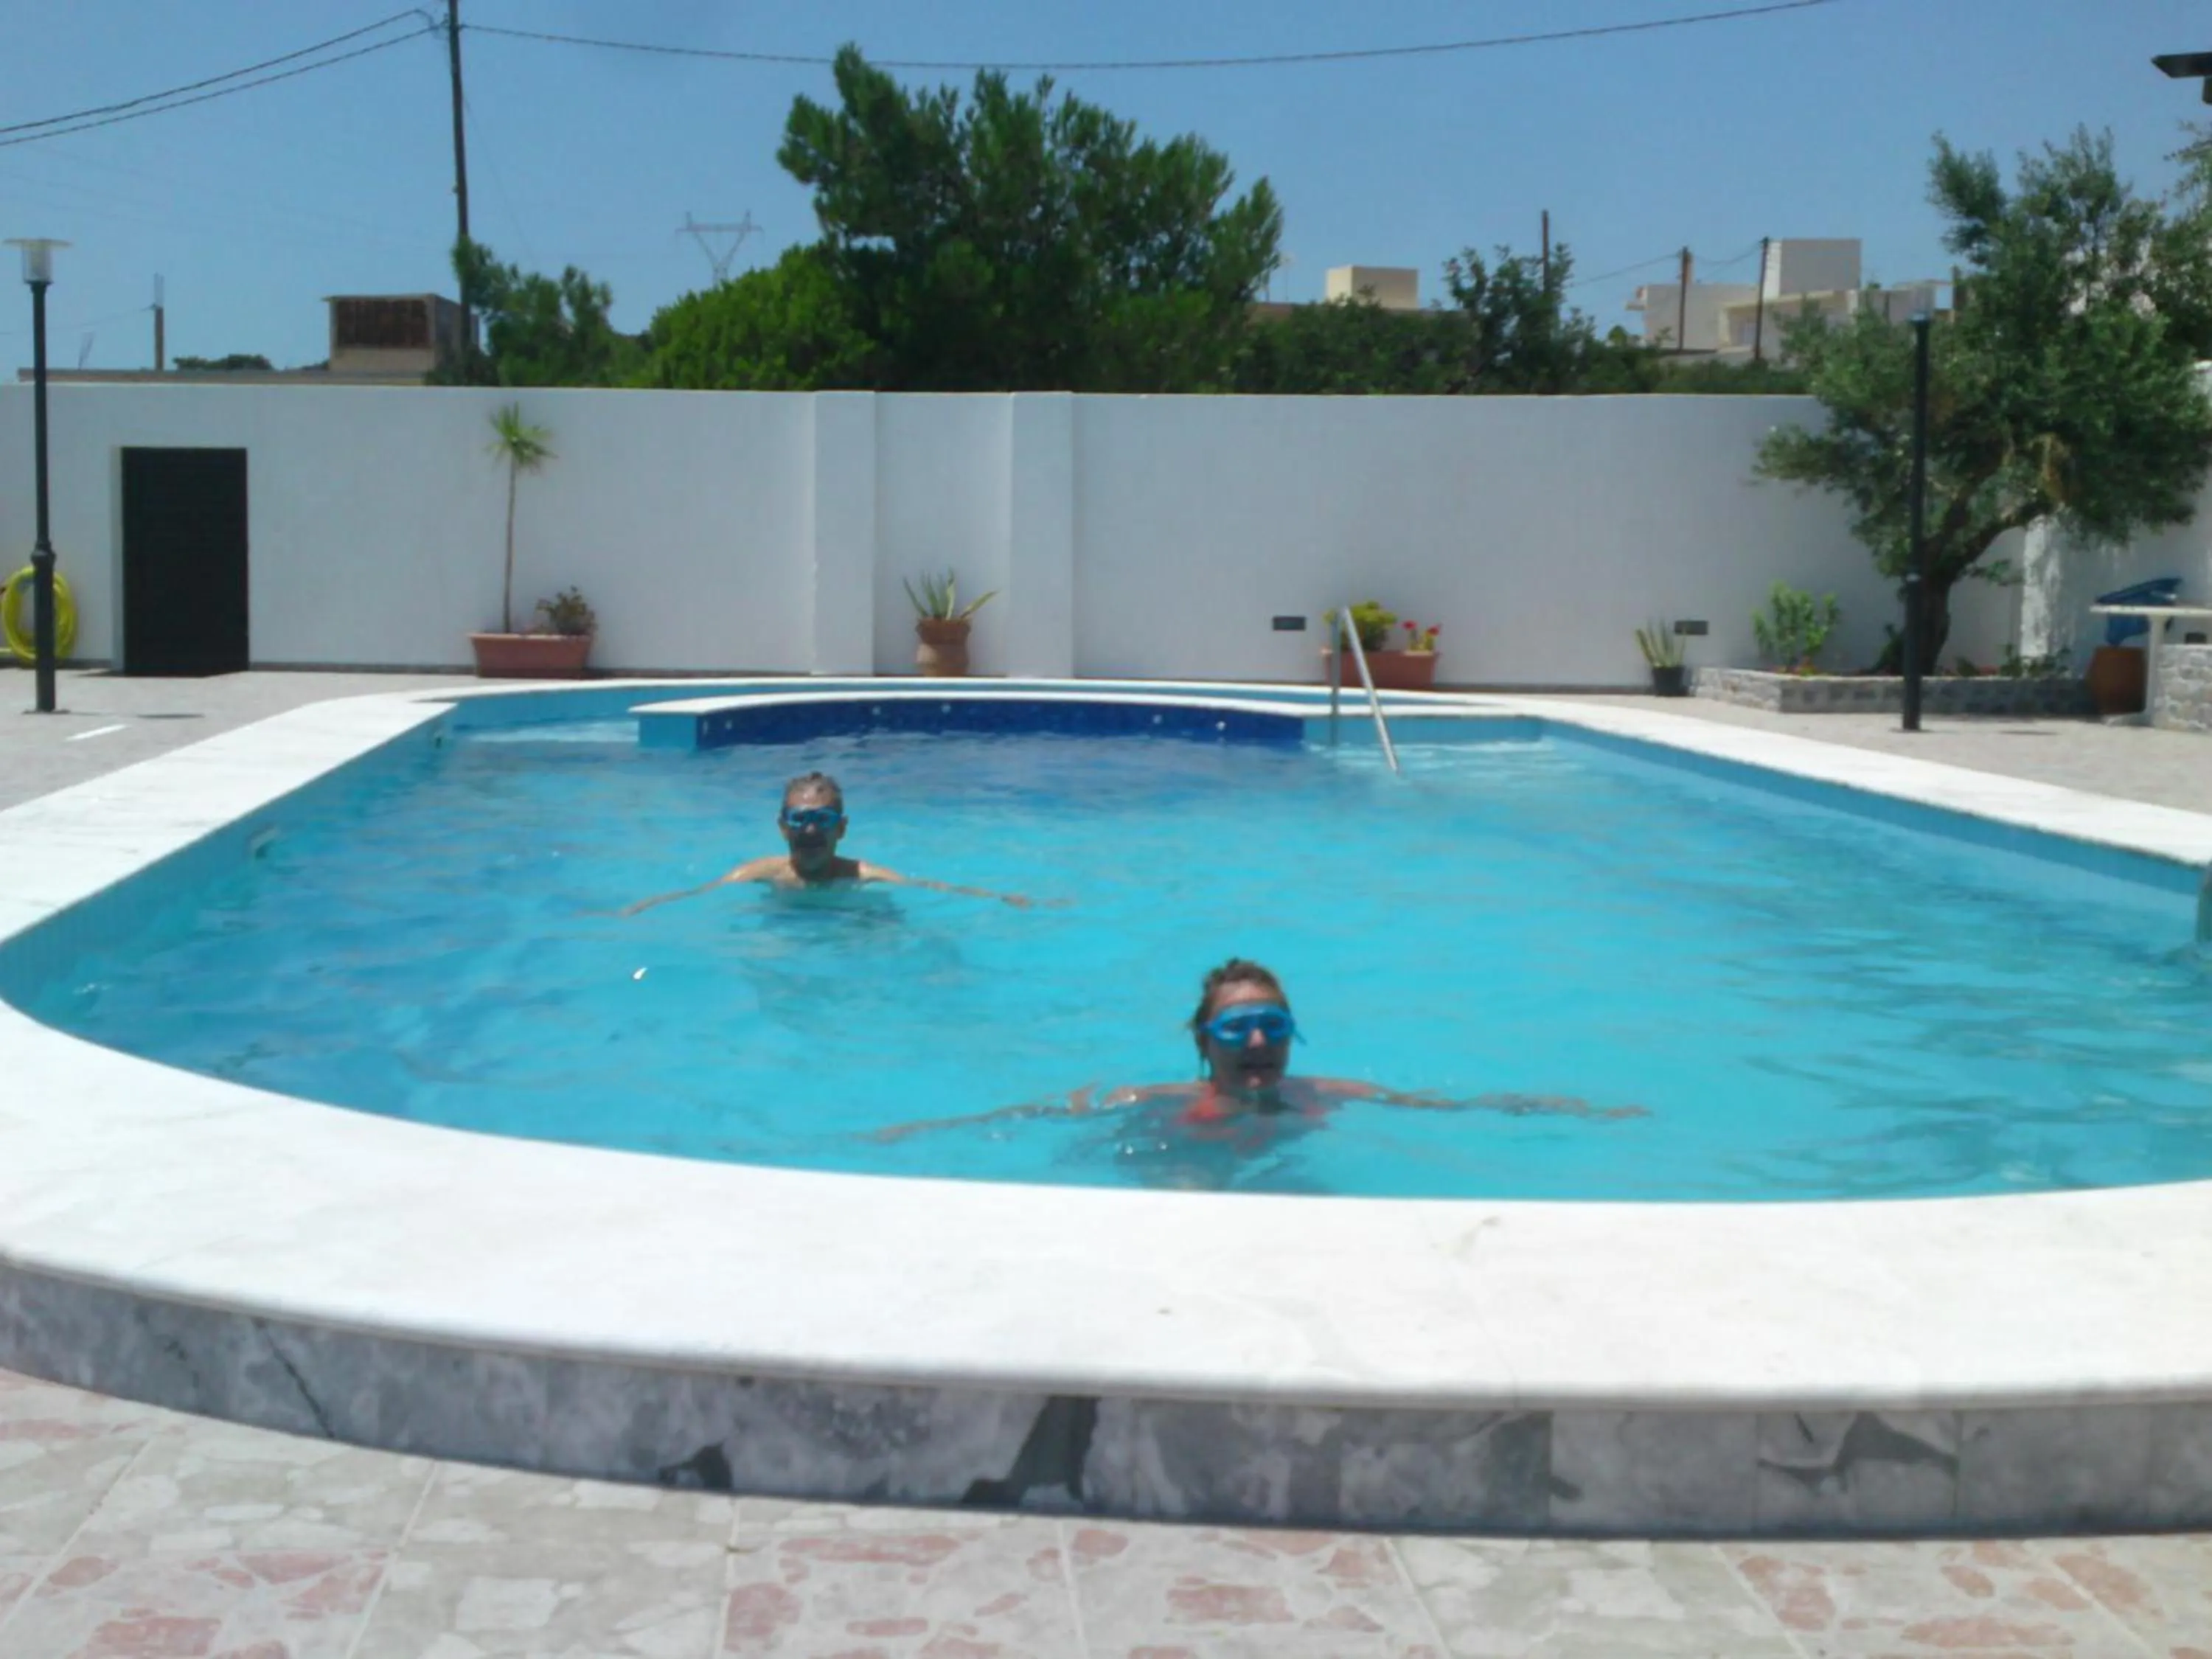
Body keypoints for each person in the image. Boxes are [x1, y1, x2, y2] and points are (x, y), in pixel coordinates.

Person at [874, 957, 1644, 1144]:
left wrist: (1571, 1108)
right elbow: (1039, 1115)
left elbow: (1454, 1107)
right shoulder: (1159, 1105)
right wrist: (925, 1131)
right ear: (1203, 1046)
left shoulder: (1329, 1094)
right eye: (1235, 1030)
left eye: (1273, 1028)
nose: (1255, 1043)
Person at [622, 771, 1036, 916]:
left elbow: (930, 887)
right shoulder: (761, 874)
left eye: (822, 821)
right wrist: (643, 906)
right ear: (783, 828)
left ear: (843, 828)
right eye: (800, 821)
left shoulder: (864, 877)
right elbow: (699, 894)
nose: (811, 833)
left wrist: (999, 898)